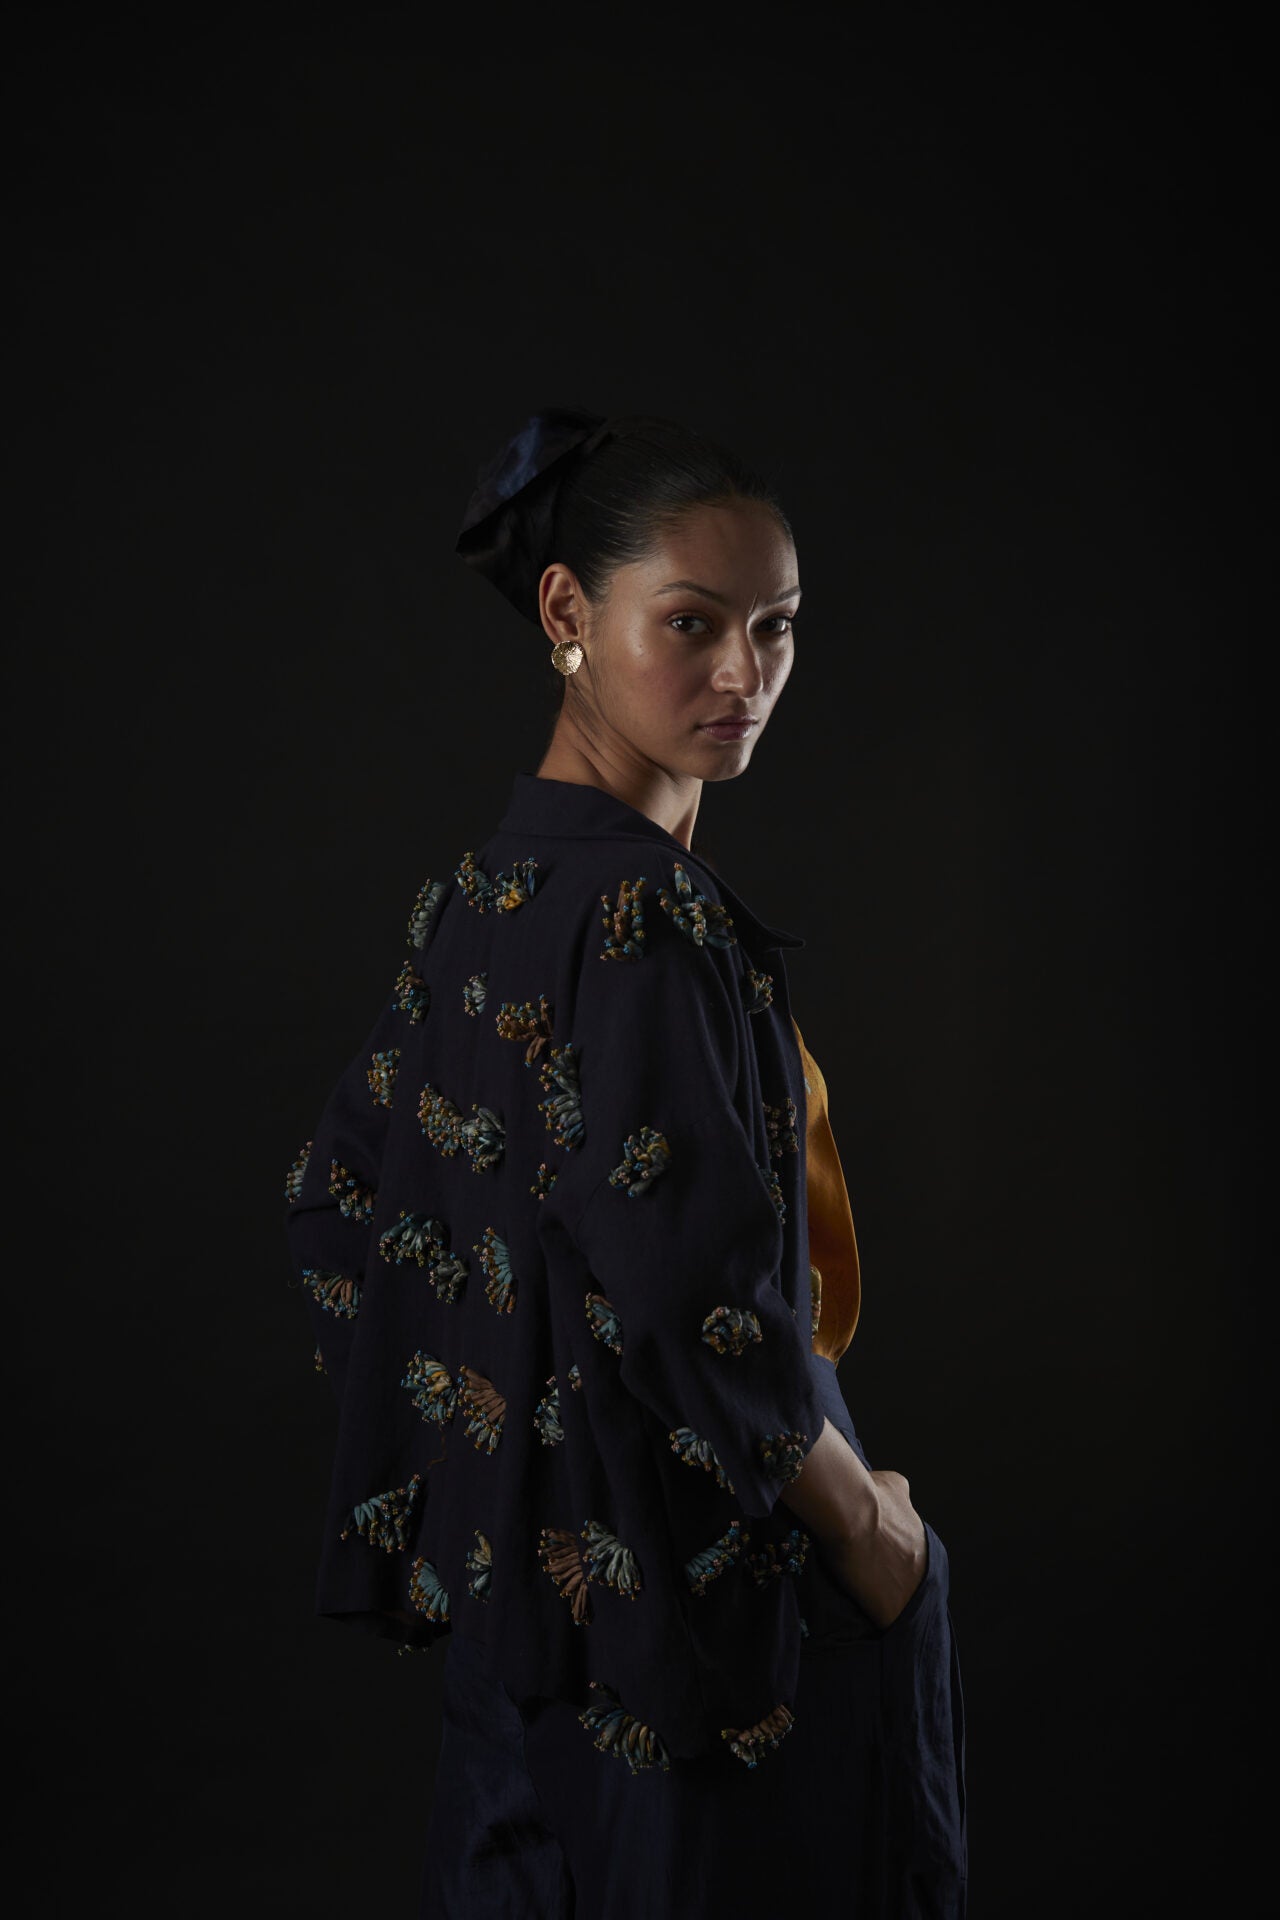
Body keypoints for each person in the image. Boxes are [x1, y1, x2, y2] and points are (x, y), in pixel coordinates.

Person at [284, 405, 967, 1916]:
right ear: (567, 615)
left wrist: (502, 1488)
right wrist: (867, 1530)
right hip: (706, 1629)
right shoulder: (646, 916)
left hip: (527, 1645)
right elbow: (690, 1305)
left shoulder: (483, 896)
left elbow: (337, 1208)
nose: (745, 675)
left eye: (777, 627)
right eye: (694, 623)